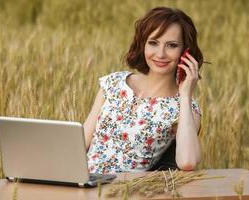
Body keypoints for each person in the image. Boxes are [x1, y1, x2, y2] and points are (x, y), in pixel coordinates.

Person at [84, 7, 203, 174]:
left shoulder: (185, 107)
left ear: (185, 52)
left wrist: (185, 94)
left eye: (172, 45)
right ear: (143, 44)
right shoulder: (113, 83)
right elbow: (82, 141)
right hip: (81, 183)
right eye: (153, 43)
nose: (160, 54)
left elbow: (187, 162)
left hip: (122, 192)